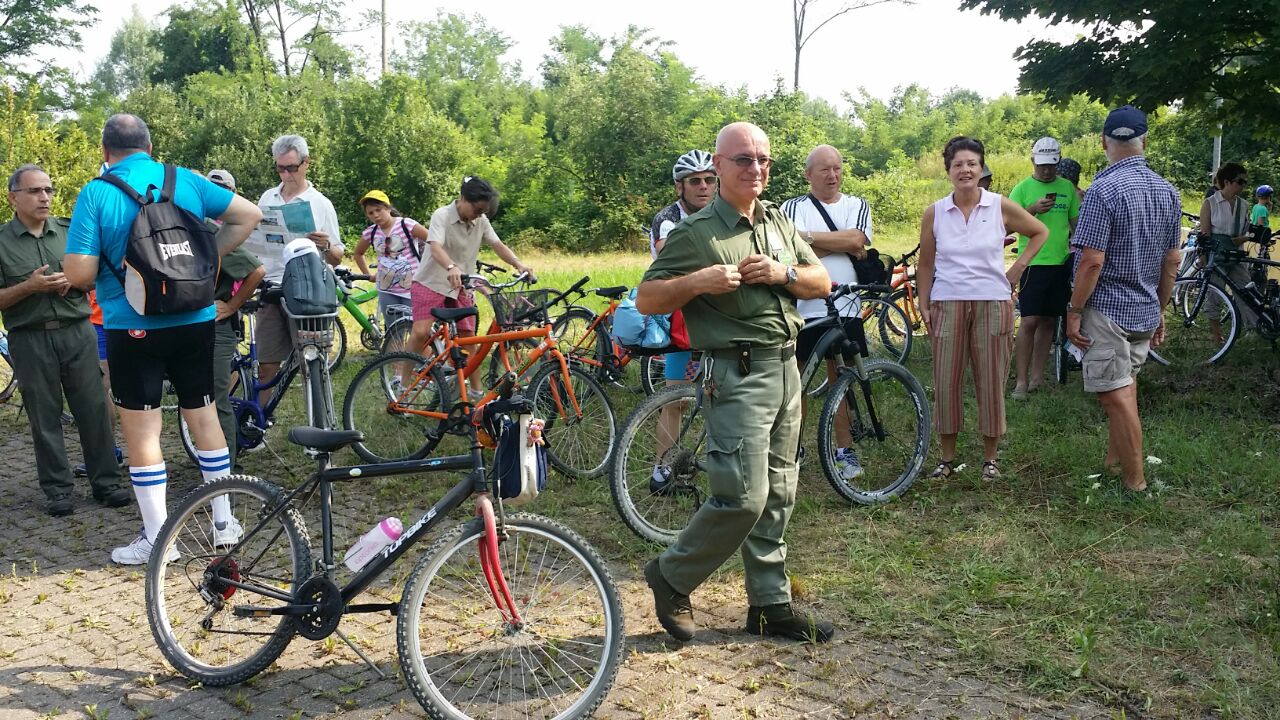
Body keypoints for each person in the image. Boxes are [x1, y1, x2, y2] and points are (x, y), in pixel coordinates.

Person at [636, 121, 835, 644]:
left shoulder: (776, 221)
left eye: (763, 159)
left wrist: (783, 273)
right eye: (744, 159)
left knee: (779, 490)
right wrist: (696, 282)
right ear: (719, 166)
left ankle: (770, 605)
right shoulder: (696, 232)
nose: (756, 168)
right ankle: (671, 576)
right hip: (737, 373)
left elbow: (821, 280)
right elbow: (648, 299)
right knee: (743, 495)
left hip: (786, 367)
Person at [63, 114, 263, 564]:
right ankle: (224, 523)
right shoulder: (185, 180)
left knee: (143, 429)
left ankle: (158, 538)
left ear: (105, 151)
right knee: (204, 415)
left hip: (131, 323)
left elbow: (79, 273)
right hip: (196, 317)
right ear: (149, 147)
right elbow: (249, 215)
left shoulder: (97, 192)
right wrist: (205, 257)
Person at [917, 136, 1048, 482]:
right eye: (958, 164)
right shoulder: (935, 212)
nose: (965, 170)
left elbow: (1039, 232)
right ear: (948, 170)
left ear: (981, 168)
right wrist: (923, 302)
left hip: (992, 302)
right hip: (947, 303)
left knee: (990, 381)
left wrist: (1016, 270)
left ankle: (990, 458)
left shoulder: (999, 205)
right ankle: (947, 458)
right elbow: (926, 264)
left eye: (971, 163)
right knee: (946, 381)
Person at [0, 163, 128, 517]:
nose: (45, 197)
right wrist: (30, 287)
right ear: (13, 198)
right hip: (30, 338)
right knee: (44, 417)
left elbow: (101, 276)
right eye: (34, 191)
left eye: (48, 190)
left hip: (78, 332)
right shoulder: (2, 242)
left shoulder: (73, 232)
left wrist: (76, 280)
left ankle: (107, 483)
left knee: (94, 410)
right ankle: (57, 490)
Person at [1066, 105, 1182, 493]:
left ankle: (1136, 482)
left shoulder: (1102, 190)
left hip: (1108, 310)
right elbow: (1172, 260)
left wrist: (1074, 310)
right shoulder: (1169, 192)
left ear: (1104, 142)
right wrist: (1161, 309)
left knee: (1115, 395)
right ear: (1144, 141)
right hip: (1145, 308)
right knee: (1124, 387)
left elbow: (1091, 261)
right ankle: (1114, 465)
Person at [781, 143, 873, 481]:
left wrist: (806, 238)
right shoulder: (792, 207)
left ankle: (844, 450)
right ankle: (794, 449)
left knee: (842, 379)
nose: (833, 175)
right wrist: (839, 242)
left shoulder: (858, 205)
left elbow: (856, 240)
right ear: (808, 175)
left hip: (845, 306)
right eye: (824, 169)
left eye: (837, 168)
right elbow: (789, 253)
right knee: (797, 381)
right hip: (802, 306)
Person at [407, 176, 534, 393]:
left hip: (461, 285)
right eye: (477, 209)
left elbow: (497, 244)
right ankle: (402, 380)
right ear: (464, 198)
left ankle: (476, 392)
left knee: (469, 339)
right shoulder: (442, 215)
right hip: (431, 281)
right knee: (421, 332)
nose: (479, 214)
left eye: (483, 211)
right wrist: (450, 266)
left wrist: (518, 263)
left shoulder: (481, 221)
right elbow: (435, 247)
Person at [252, 134, 343, 403]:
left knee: (312, 361)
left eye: (291, 168)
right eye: (280, 168)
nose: (286, 175)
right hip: (272, 286)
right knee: (266, 364)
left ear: (306, 163)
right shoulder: (268, 197)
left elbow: (337, 256)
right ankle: (259, 420)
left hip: (307, 291)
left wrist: (326, 245)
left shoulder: (320, 203)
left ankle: (319, 421)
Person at [648, 150, 716, 493]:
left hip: (718, 318)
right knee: (675, 398)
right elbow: (675, 258)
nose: (703, 186)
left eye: (709, 180)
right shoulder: (668, 219)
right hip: (682, 321)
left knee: (720, 394)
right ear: (680, 186)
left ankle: (719, 465)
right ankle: (661, 471)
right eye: (695, 181)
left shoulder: (722, 213)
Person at [1008, 137, 1082, 398]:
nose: (1047, 170)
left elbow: (1076, 224)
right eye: (1042, 165)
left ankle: (1038, 377)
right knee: (1029, 321)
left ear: (1058, 162)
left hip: (1060, 263)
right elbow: (1007, 226)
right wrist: (1032, 209)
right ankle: (1021, 381)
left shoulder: (1067, 188)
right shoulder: (1022, 189)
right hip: (1033, 263)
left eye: (1051, 165)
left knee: (1049, 320)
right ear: (1033, 161)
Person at [205, 169, 266, 469]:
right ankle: (211, 463)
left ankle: (227, 469)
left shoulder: (210, 231)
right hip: (190, 329)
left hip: (217, 328)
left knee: (217, 400)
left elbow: (257, 271)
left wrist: (231, 306)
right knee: (199, 400)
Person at [1198, 163, 1258, 338]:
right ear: (1227, 182)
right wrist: (1203, 256)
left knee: (1246, 291)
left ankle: (1253, 329)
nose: (1243, 185)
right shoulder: (1210, 203)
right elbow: (1205, 233)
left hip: (1236, 255)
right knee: (1215, 294)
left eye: (1245, 182)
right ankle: (1216, 334)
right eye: (1240, 181)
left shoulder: (1243, 205)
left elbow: (1245, 230)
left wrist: (1248, 237)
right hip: (1215, 257)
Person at [352, 190, 428, 324]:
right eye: (371, 213)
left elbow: (433, 241)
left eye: (378, 210)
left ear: (388, 208)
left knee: (416, 330)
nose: (376, 215)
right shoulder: (371, 232)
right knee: (393, 330)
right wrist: (368, 275)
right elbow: (358, 253)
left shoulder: (406, 225)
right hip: (387, 290)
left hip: (413, 287)